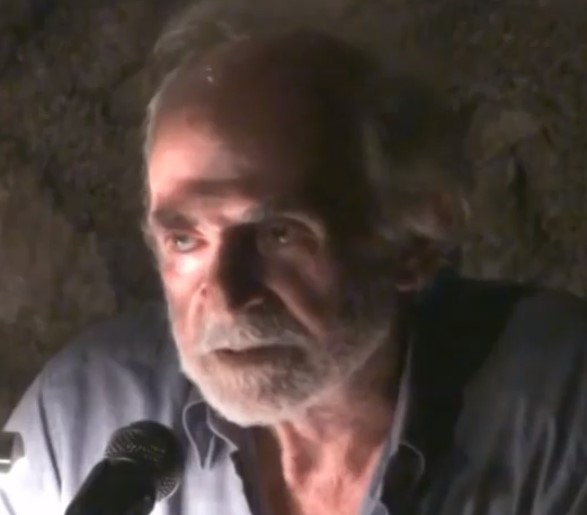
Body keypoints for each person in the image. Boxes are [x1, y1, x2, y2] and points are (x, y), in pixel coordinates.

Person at [3, 2, 587, 515]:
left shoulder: (558, 412)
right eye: (184, 239)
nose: (227, 295)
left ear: (413, 243)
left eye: (278, 234)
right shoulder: (82, 417)